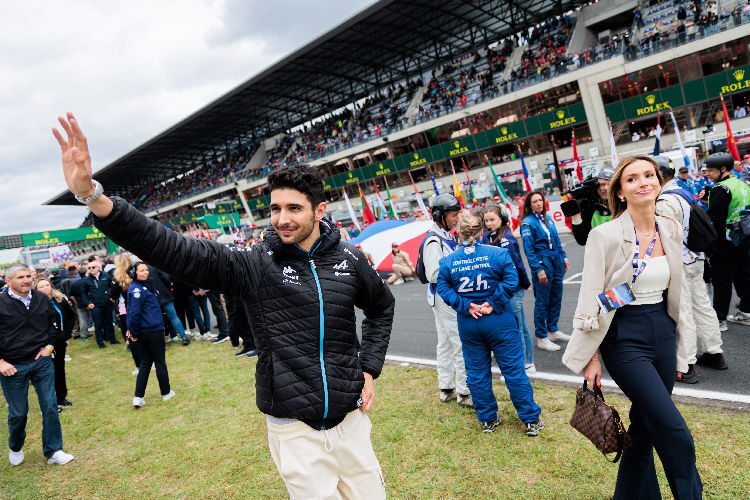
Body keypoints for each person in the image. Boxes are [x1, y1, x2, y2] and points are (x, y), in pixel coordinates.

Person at [54, 112, 394, 499]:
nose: (281, 219)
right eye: (275, 208)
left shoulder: (350, 259)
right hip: (295, 431)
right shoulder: (254, 263)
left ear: (319, 210)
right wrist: (94, 197)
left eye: (294, 209)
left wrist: (368, 369)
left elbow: (382, 307)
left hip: (351, 422)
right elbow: (170, 248)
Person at [562, 155, 702, 499]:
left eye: (649, 175)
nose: (643, 182)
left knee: (643, 427)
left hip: (662, 331)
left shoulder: (668, 226)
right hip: (624, 337)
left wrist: (682, 336)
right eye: (633, 178)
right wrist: (591, 356)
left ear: (658, 181)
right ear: (620, 192)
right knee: (674, 431)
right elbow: (591, 297)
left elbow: (677, 290)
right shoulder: (603, 235)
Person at [437, 214, 544, 435]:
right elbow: (512, 281)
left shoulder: (449, 261)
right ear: (481, 231)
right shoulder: (498, 254)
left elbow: (443, 289)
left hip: (470, 323)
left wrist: (466, 305)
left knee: (477, 373)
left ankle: (488, 419)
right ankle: (530, 419)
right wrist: (492, 303)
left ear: (459, 232)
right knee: (514, 371)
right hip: (498, 320)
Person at [656, 161, 727, 384]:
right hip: (697, 257)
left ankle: (685, 365)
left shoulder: (664, 201)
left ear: (659, 176)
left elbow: (668, 238)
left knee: (682, 313)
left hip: (681, 261)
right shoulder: (684, 191)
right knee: (703, 306)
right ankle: (714, 352)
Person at [0, 263, 74, 466]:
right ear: (8, 281)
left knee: (50, 405)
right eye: (20, 277)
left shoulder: (41, 298)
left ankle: (53, 450)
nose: (26, 280)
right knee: (18, 413)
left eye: (27, 276)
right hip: (12, 367)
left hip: (41, 362)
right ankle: (15, 445)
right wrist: (1, 362)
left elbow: (54, 323)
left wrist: (49, 346)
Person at [423, 194, 472, 407]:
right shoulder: (434, 240)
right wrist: (459, 269)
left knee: (444, 343)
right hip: (445, 298)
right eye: (454, 214)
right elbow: (433, 273)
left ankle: (446, 387)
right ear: (439, 216)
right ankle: (464, 392)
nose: (457, 218)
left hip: (442, 297)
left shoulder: (444, 235)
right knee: (460, 343)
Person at [482, 205, 535, 373]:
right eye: (486, 220)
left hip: (513, 288)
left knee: (517, 327)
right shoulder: (488, 236)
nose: (489, 223)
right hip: (499, 289)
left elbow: (518, 265)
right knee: (515, 325)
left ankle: (525, 364)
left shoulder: (507, 239)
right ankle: (524, 361)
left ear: (502, 219)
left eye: (492, 220)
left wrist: (526, 283)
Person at [700, 152, 750, 328]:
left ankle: (720, 320)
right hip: (743, 238)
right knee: (742, 276)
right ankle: (746, 311)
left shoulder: (720, 189)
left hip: (724, 242)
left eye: (711, 171)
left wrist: (709, 245)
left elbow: (714, 219)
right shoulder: (741, 184)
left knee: (721, 281)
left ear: (723, 169)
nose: (707, 173)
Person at [520, 191, 570, 351]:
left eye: (540, 200)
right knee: (542, 301)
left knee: (556, 296)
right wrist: (538, 270)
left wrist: (564, 257)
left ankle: (552, 330)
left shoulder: (548, 219)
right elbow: (529, 249)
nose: (538, 203)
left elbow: (556, 240)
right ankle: (542, 337)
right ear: (529, 205)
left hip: (556, 261)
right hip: (543, 263)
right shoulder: (527, 223)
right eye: (534, 201)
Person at [126, 262, 175, 408]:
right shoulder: (137, 289)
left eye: (146, 269)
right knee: (158, 362)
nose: (145, 272)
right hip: (151, 330)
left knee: (145, 363)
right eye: (141, 270)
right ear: (134, 273)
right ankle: (166, 393)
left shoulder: (142, 286)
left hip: (146, 330)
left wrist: (131, 329)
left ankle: (138, 397)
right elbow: (134, 312)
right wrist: (132, 331)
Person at [32, 277, 76, 409]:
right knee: (47, 373)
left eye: (47, 285)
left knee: (59, 370)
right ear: (36, 289)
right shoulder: (35, 304)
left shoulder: (59, 299)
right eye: (41, 286)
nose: (45, 288)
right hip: (43, 343)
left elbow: (71, 316)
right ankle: (50, 402)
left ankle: (61, 397)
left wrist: (66, 334)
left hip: (60, 341)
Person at [111, 254, 142, 373]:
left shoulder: (117, 278)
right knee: (142, 335)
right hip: (139, 308)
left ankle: (139, 366)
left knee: (132, 337)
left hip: (126, 311)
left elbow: (113, 296)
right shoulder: (136, 273)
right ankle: (149, 362)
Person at [146, 264, 191, 345]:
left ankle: (163, 340)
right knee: (173, 316)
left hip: (153, 297)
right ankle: (183, 337)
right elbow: (166, 278)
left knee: (159, 319)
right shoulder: (155, 266)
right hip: (164, 295)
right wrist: (168, 290)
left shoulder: (143, 269)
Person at [568, 168, 614, 245]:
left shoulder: (625, 206)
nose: (606, 188)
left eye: (610, 184)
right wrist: (575, 216)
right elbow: (582, 240)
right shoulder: (589, 207)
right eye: (602, 184)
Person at [80, 259, 118, 348]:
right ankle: (100, 342)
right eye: (89, 268)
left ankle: (112, 339)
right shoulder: (86, 280)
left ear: (98, 268)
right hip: (96, 306)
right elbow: (83, 293)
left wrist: (111, 297)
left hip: (107, 304)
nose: (91, 269)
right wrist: (87, 303)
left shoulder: (106, 276)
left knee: (109, 322)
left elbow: (112, 287)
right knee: (98, 324)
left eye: (93, 267)